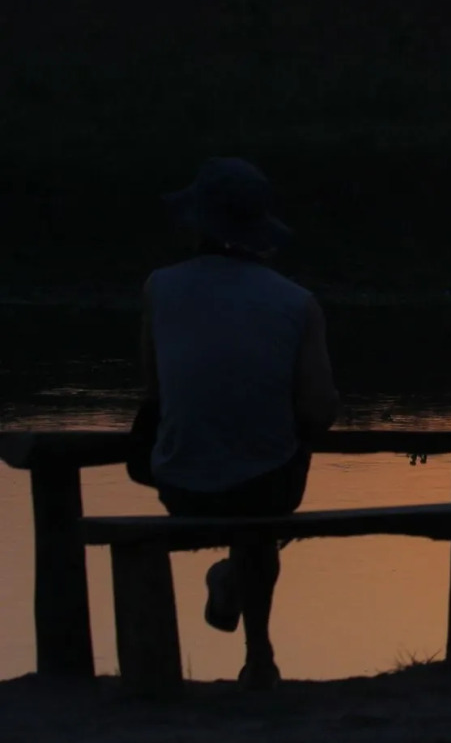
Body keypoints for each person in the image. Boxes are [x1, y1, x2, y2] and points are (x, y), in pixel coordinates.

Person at [139, 158, 339, 688]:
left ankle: (232, 584)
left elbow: (154, 392)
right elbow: (321, 409)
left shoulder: (159, 288)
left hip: (181, 487)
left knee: (250, 498)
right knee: (264, 504)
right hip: (268, 489)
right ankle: (259, 653)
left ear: (200, 222)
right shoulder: (297, 302)